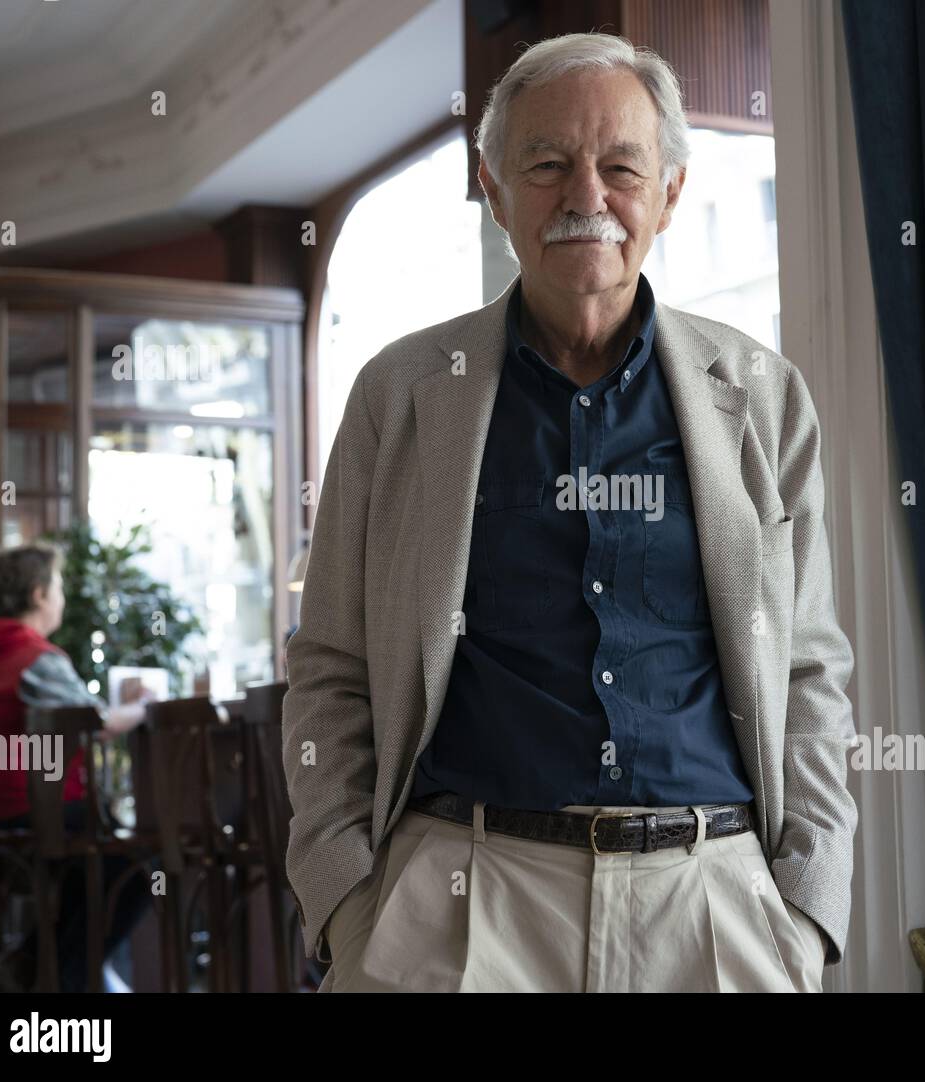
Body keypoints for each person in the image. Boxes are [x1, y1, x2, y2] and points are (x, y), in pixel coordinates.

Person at [283, 31, 859, 992]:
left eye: (620, 166)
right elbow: (331, 661)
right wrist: (345, 897)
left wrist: (806, 904)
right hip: (459, 910)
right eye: (546, 165)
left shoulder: (761, 395)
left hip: (714, 910)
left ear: (670, 190)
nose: (585, 198)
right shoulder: (402, 394)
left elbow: (810, 664)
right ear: (494, 186)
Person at [0, 543, 154, 992]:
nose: (63, 597)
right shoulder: (36, 657)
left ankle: (30, 967)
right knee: (131, 873)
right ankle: (60, 980)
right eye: (59, 587)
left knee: (88, 879)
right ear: (39, 594)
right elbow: (96, 724)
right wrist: (142, 708)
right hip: (41, 813)